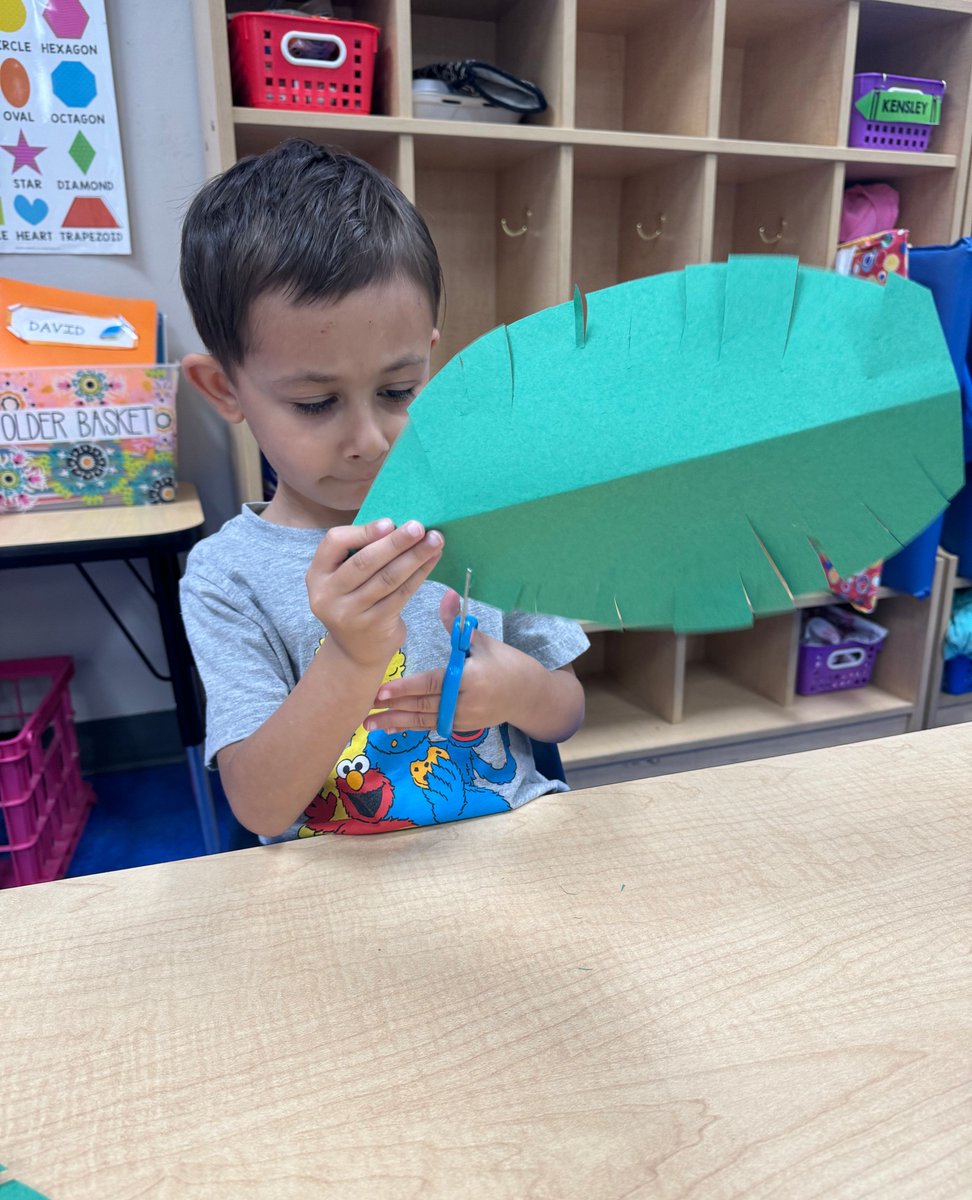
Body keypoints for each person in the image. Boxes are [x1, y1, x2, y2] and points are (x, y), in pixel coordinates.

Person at [179, 139, 588, 841]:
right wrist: (353, 655)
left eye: (398, 390)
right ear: (226, 389)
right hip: (334, 900)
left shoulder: (487, 518)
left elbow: (566, 710)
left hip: (511, 853)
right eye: (315, 402)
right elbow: (261, 808)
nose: (369, 438)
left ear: (431, 353)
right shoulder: (227, 577)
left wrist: (518, 689)